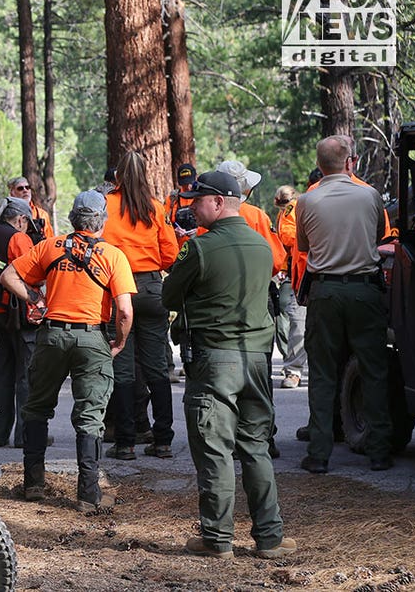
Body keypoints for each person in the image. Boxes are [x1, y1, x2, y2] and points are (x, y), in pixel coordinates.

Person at [161, 170, 295, 559]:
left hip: (214, 361)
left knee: (215, 448)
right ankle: (269, 538)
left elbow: (170, 296)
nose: (192, 208)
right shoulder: (261, 245)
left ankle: (217, 539)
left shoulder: (199, 248)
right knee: (255, 447)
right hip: (256, 361)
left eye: (197, 200)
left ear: (219, 202)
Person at [0, 191, 135, 510]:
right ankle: (89, 494)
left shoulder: (50, 246)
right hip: (92, 338)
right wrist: (120, 341)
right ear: (101, 220)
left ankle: (33, 483)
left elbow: (8, 276)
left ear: (74, 218)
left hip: (51, 336)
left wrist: (34, 299)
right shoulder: (113, 255)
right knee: (90, 416)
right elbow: (125, 311)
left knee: (36, 407)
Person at [296, 135, 392, 474]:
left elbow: (304, 243)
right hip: (365, 291)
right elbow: (379, 234)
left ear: (320, 166)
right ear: (350, 162)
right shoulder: (369, 195)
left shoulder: (307, 200)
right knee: (374, 370)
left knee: (322, 373)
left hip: (325, 292)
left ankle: (319, 454)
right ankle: (379, 451)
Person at [101, 151, 179, 460]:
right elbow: (170, 255)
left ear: (117, 176)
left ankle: (125, 442)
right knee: (157, 367)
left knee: (122, 369)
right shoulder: (155, 208)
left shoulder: (106, 206)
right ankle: (162, 440)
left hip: (118, 289)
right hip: (150, 288)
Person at [0, 197, 37, 448]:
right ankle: (25, 435)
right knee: (25, 374)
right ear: (21, 219)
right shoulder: (18, 238)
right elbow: (31, 274)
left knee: (1, 374)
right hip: (18, 314)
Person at [273, 185, 307, 388]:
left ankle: (293, 369)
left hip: (302, 270)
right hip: (299, 269)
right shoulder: (297, 207)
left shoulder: (293, 209)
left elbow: (287, 236)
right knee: (297, 319)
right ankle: (293, 369)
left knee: (297, 320)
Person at [7, 177, 54, 244]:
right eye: (20, 188)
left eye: (27, 187)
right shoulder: (6, 214)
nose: (25, 190)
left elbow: (50, 240)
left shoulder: (41, 214)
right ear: (12, 193)